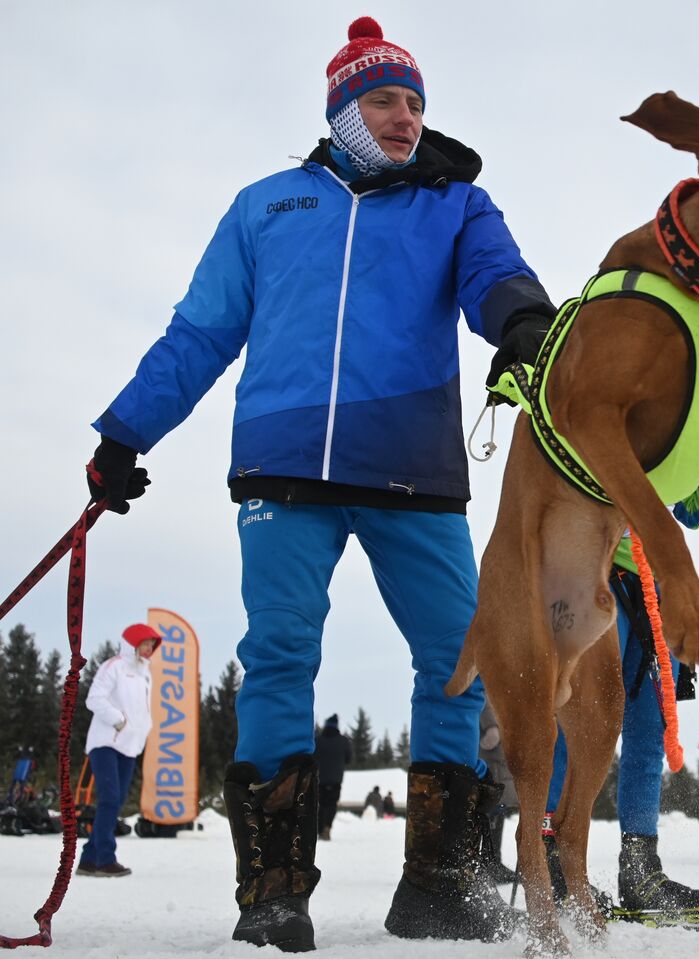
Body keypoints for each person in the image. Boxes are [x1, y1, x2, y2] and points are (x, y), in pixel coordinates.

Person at [82, 17, 555, 949]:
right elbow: (200, 332)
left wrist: (523, 324)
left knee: (459, 661)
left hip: (414, 469)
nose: (406, 118)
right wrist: (124, 433)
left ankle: (438, 885)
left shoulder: (456, 203)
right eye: (384, 100)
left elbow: (498, 277)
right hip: (285, 466)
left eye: (416, 103)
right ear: (341, 109)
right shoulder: (266, 206)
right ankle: (273, 891)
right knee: (280, 656)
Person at [544, 463, 699, 909]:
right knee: (577, 721)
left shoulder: (675, 442)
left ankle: (639, 871)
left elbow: (689, 510)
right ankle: (551, 859)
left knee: (650, 732)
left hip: (656, 586)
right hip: (593, 572)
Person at [77, 624, 160, 878]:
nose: (149, 649)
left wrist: (143, 730)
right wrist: (118, 720)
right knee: (110, 798)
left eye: (152, 645)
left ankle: (88, 859)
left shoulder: (145, 673)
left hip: (129, 746)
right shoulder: (113, 666)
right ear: (132, 644)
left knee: (116, 802)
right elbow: (94, 699)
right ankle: (105, 859)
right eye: (145, 643)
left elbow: (141, 709)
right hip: (106, 742)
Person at [477, 701, 518, 884]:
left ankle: (492, 861)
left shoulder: (490, 695)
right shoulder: (485, 695)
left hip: (496, 765)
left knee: (496, 810)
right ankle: (489, 863)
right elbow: (491, 737)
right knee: (492, 810)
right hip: (492, 765)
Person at [313, 715, 353, 841]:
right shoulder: (344, 741)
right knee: (331, 805)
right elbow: (348, 759)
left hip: (319, 779)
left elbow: (311, 757)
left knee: (320, 804)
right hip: (336, 780)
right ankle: (327, 827)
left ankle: (320, 830)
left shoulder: (317, 740)